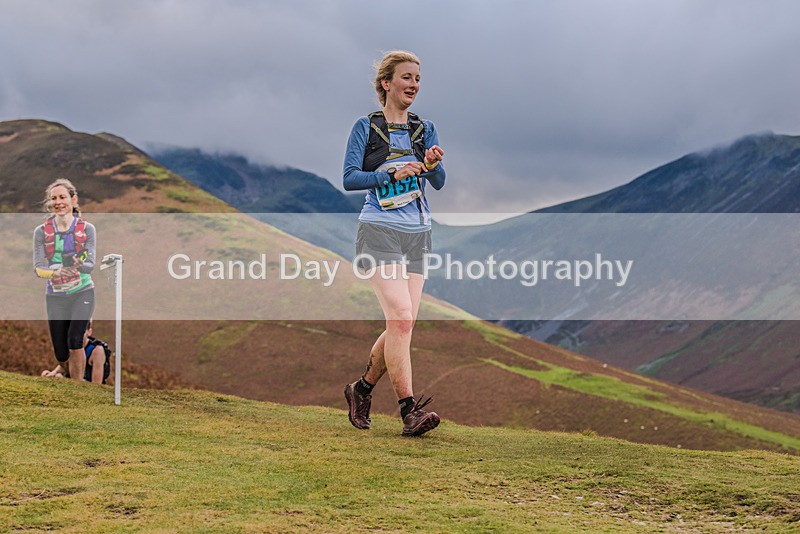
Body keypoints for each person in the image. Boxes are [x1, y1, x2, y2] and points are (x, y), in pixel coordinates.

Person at [342, 50, 446, 437]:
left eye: (418, 79)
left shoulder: (425, 129)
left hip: (418, 234)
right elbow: (351, 178)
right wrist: (391, 173)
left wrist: (432, 165)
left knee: (401, 325)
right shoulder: (365, 128)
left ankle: (361, 389)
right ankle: (409, 411)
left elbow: (439, 183)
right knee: (401, 318)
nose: (414, 85)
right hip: (378, 229)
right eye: (406, 78)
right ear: (386, 83)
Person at [33, 178, 96, 382]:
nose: (58, 202)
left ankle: (77, 388)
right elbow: (37, 268)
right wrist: (53, 274)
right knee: (61, 352)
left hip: (83, 291)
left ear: (73, 199)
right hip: (55, 294)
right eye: (54, 199)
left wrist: (79, 264)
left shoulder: (87, 229)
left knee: (75, 340)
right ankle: (64, 372)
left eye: (62, 197)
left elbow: (91, 264)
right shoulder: (41, 232)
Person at [41, 320, 111, 384]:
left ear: (89, 332)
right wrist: (51, 374)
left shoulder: (97, 351)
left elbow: (96, 385)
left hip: (86, 389)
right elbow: (64, 367)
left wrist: (64, 380)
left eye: (81, 332)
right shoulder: (72, 346)